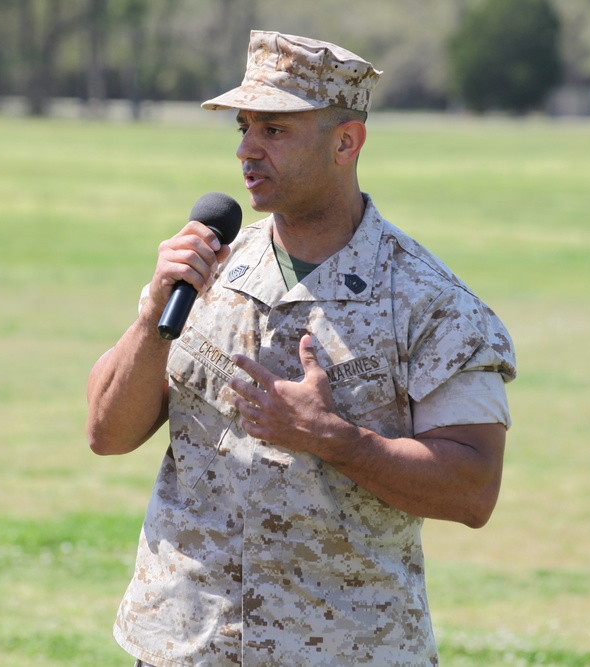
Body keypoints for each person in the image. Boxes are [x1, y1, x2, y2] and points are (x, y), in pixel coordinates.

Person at [86, 30, 516, 667]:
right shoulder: (206, 271)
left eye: (276, 130)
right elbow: (107, 433)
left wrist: (332, 437)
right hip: (185, 644)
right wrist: (153, 314)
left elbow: (472, 490)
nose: (246, 150)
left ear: (347, 142)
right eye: (244, 126)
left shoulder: (432, 304)